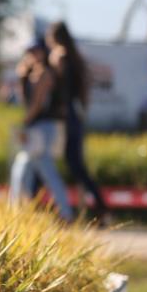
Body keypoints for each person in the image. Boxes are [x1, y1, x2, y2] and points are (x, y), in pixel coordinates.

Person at [47, 21, 108, 220]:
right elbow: (83, 90)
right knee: (77, 165)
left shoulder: (59, 55)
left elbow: (58, 88)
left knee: (46, 161)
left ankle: (59, 209)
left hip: (62, 117)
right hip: (75, 114)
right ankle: (99, 207)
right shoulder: (75, 56)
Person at [9, 42, 74, 221]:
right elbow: (26, 102)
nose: (31, 57)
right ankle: (20, 210)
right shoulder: (32, 74)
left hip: (42, 128)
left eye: (34, 53)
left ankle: (64, 213)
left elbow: (37, 104)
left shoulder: (46, 74)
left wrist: (25, 121)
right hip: (36, 127)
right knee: (26, 169)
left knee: (36, 169)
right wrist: (21, 78)